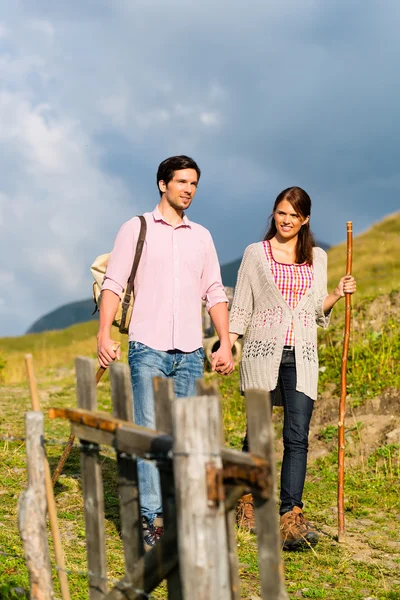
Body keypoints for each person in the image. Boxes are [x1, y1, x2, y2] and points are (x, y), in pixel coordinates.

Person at [97, 155, 234, 550]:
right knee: (150, 436)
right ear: (162, 184)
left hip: (191, 351)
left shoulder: (202, 236)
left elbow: (213, 291)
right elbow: (114, 283)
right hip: (148, 347)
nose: (188, 189)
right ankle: (152, 523)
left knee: (183, 439)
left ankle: (178, 517)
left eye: (194, 184)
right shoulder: (136, 228)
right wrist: (104, 334)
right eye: (181, 182)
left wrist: (223, 343)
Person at [227, 186, 356, 550]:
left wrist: (337, 294)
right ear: (275, 214)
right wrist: (228, 343)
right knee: (258, 432)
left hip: (302, 354)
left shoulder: (317, 257)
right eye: (281, 213)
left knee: (297, 435)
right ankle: (247, 501)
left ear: (305, 220)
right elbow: (242, 307)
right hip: (261, 351)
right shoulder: (256, 254)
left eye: (293, 216)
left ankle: (291, 515)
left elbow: (317, 309)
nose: (285, 220)